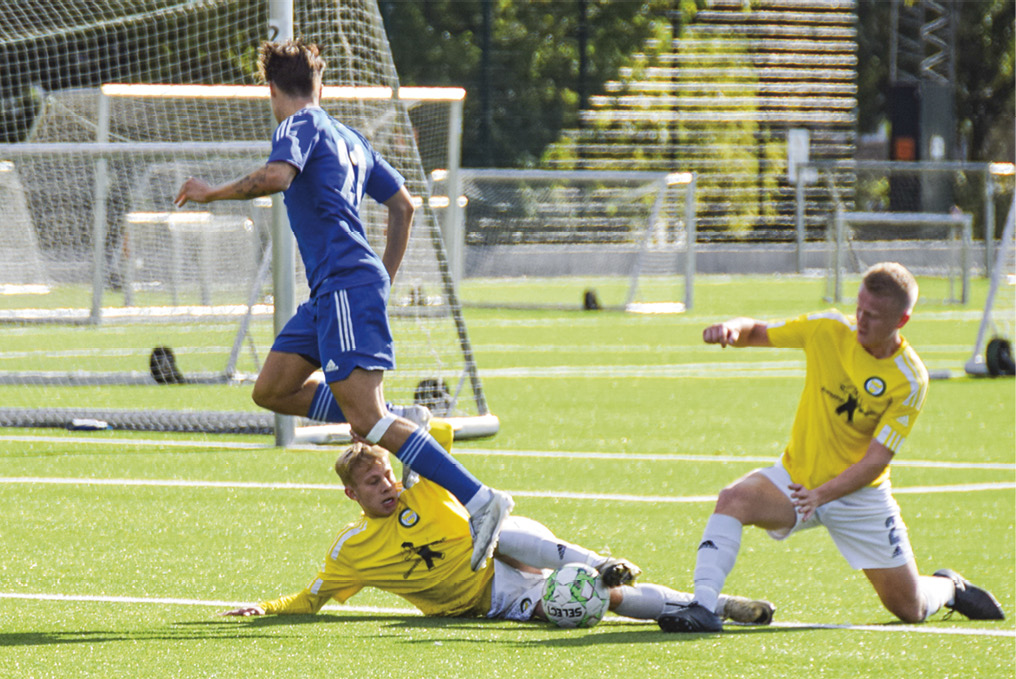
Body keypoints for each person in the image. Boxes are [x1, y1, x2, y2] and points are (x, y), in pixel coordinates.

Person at [173, 39, 511, 571]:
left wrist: (210, 192)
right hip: (334, 292)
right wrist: (383, 279)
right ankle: (405, 419)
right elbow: (402, 204)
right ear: (319, 85)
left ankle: (480, 499)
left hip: (345, 285)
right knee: (273, 390)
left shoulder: (298, 124)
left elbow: (276, 178)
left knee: (368, 421)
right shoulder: (348, 136)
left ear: (271, 90)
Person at [658, 262, 1005, 633]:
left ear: (901, 321)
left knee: (910, 608)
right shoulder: (828, 328)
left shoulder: (909, 378)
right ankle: (703, 607)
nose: (861, 321)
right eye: (859, 308)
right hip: (797, 480)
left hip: (860, 497)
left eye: (872, 316)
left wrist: (821, 495)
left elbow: (876, 461)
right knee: (733, 499)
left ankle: (949, 587)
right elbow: (756, 331)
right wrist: (731, 330)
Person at [221, 420, 775, 627]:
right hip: (488, 600)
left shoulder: (425, 485)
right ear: (351, 494)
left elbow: (433, 434)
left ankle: (598, 562)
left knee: (507, 532)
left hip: (497, 549)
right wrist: (263, 610)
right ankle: (712, 609)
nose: (388, 486)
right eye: (373, 484)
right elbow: (310, 598)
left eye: (388, 475)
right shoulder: (353, 551)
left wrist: (392, 426)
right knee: (595, 603)